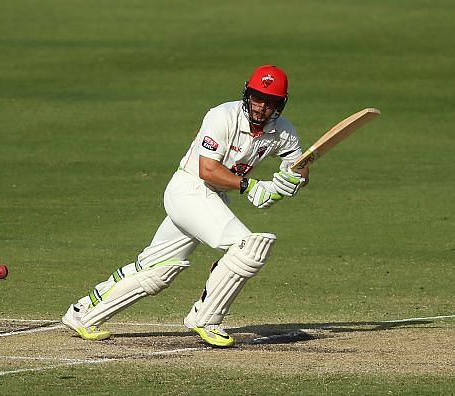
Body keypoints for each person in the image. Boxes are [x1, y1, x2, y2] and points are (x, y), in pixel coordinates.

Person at [62, 65, 309, 347]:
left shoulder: (283, 131)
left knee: (157, 270)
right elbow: (207, 169)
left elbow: (299, 169)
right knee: (248, 248)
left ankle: (83, 313)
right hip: (189, 189)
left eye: (270, 102)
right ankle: (206, 318)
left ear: (281, 103)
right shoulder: (222, 116)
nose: (262, 106)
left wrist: (287, 184)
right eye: (257, 97)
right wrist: (251, 187)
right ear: (247, 93)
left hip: (212, 197)